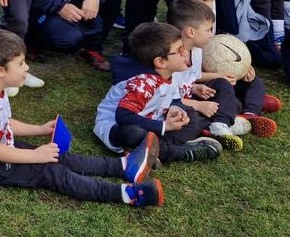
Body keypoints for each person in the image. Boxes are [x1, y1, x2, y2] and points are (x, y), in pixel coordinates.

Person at [0, 29, 162, 207]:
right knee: (50, 171)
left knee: (56, 156)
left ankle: (123, 166)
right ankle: (127, 195)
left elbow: (5, 124)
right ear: (0, 71)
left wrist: (40, 129)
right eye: (20, 63)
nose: (26, 68)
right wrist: (36, 156)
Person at [93, 23, 223, 163]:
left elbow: (175, 99)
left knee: (193, 118)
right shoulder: (143, 83)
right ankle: (177, 152)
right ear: (161, 62)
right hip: (116, 127)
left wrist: (175, 109)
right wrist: (164, 126)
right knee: (134, 132)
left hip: (151, 122)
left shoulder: (169, 76)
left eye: (184, 48)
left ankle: (150, 150)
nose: (186, 53)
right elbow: (123, 116)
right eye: (180, 50)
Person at [166, 0, 278, 146]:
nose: (212, 34)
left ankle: (248, 115)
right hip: (180, 104)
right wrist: (197, 103)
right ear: (191, 32)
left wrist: (199, 86)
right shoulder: (173, 57)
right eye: (208, 30)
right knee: (211, 106)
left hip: (191, 95)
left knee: (247, 84)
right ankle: (220, 124)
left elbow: (192, 78)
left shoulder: (197, 50)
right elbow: (167, 97)